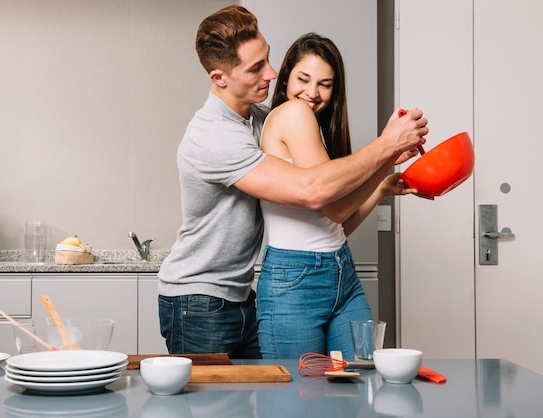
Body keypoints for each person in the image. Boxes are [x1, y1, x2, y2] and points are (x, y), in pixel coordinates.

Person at [157, 5, 427, 359]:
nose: (271, 73)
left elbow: (329, 216)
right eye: (256, 68)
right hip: (198, 297)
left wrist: (382, 176)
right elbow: (316, 193)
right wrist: (387, 145)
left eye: (267, 59)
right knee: (220, 406)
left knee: (277, 394)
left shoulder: (260, 118)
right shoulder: (214, 136)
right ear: (219, 77)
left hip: (241, 294)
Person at [256, 33, 414, 360]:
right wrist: (388, 146)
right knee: (297, 401)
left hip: (341, 271)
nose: (312, 93)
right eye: (303, 79)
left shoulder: (316, 132)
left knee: (360, 380)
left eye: (325, 84)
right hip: (295, 281)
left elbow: (336, 225)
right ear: (285, 78)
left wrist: (382, 183)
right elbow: (335, 208)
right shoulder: (292, 115)